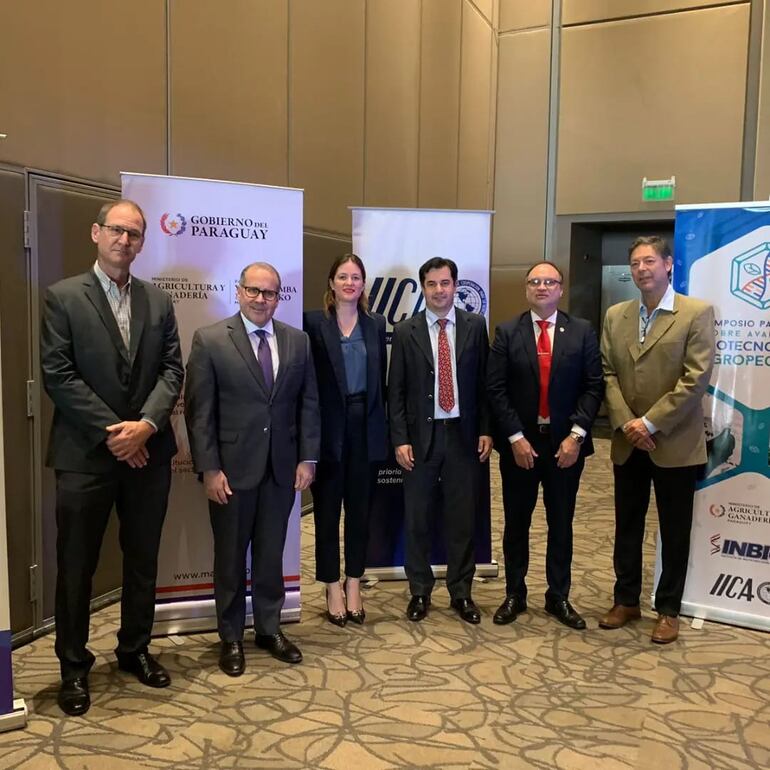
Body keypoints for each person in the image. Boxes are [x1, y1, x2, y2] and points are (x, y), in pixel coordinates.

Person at [41, 199, 184, 716]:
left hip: (148, 453)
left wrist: (144, 428)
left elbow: (173, 370)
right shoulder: (63, 297)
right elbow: (58, 375)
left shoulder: (158, 302)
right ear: (97, 233)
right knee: (76, 566)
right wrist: (116, 436)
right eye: (118, 231)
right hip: (85, 456)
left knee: (143, 560)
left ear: (144, 242)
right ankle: (73, 668)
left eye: (136, 233)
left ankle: (134, 651)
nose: (126, 240)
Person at [184, 262, 320, 676]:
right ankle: (230, 637)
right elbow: (199, 413)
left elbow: (309, 403)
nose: (262, 299)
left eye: (270, 293)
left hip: (281, 469)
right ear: (238, 291)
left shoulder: (297, 342)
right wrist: (209, 469)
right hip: (231, 471)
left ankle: (268, 627)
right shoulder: (210, 340)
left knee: (269, 554)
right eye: (254, 291)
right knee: (229, 558)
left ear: (280, 297)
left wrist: (307, 458)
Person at [599, 236, 715, 644]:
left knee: (674, 528)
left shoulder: (696, 313)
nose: (642, 269)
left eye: (650, 260)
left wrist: (649, 423)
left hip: (675, 443)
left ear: (668, 264)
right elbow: (608, 372)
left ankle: (668, 609)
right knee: (626, 524)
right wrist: (628, 423)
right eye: (635, 263)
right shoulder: (616, 315)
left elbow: (695, 378)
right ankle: (625, 599)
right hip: (627, 442)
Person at [487, 261, 604, 630]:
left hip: (565, 448)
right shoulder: (507, 332)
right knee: (517, 523)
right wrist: (515, 438)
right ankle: (515, 593)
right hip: (520, 447)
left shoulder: (582, 332)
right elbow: (496, 389)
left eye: (549, 282)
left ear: (561, 289)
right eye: (534, 281)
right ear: (526, 289)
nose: (542, 287)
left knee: (561, 523)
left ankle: (558, 596)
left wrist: (577, 436)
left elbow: (593, 386)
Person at [388, 257, 493, 624]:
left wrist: (486, 428)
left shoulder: (475, 326)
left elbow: (484, 385)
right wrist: (400, 439)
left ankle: (461, 593)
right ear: (423, 288)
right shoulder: (406, 331)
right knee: (417, 520)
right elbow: (395, 391)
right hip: (420, 441)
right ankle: (419, 591)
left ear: (455, 285)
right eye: (431, 284)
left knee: (461, 520)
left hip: (463, 438)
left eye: (445, 283)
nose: (438, 290)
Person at [304, 255, 387, 626]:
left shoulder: (376, 324)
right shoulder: (312, 323)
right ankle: (331, 584)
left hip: (366, 430)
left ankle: (354, 582)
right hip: (328, 433)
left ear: (364, 284)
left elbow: (381, 387)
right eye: (343, 276)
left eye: (356, 277)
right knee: (326, 513)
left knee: (360, 512)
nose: (350, 282)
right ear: (331, 283)